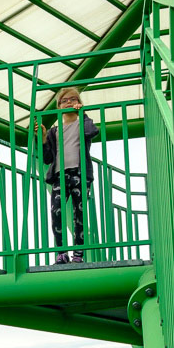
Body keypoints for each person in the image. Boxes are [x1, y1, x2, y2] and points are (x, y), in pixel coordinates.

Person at [39, 87, 99, 264]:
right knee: (55, 212)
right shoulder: (54, 131)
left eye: (73, 99)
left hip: (80, 174)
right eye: (64, 100)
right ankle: (61, 252)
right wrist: (42, 138)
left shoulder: (83, 123)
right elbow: (47, 158)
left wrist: (83, 114)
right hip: (60, 175)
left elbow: (92, 132)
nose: (69, 103)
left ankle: (78, 253)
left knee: (78, 213)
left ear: (79, 102)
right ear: (58, 106)